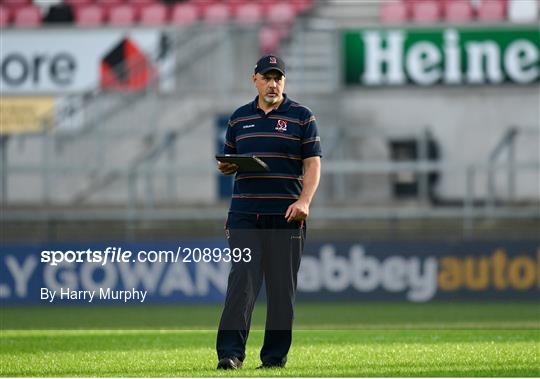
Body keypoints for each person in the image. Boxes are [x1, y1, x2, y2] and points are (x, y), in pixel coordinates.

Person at [215, 54, 322, 370]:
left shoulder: (302, 117)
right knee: (242, 282)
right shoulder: (238, 119)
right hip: (245, 214)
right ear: (255, 80)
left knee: (280, 288)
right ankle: (230, 354)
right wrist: (227, 165)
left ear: (284, 82)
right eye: (267, 77)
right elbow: (230, 161)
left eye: (278, 78)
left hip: (286, 216)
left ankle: (274, 358)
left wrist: (304, 202)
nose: (273, 83)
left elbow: (313, 163)